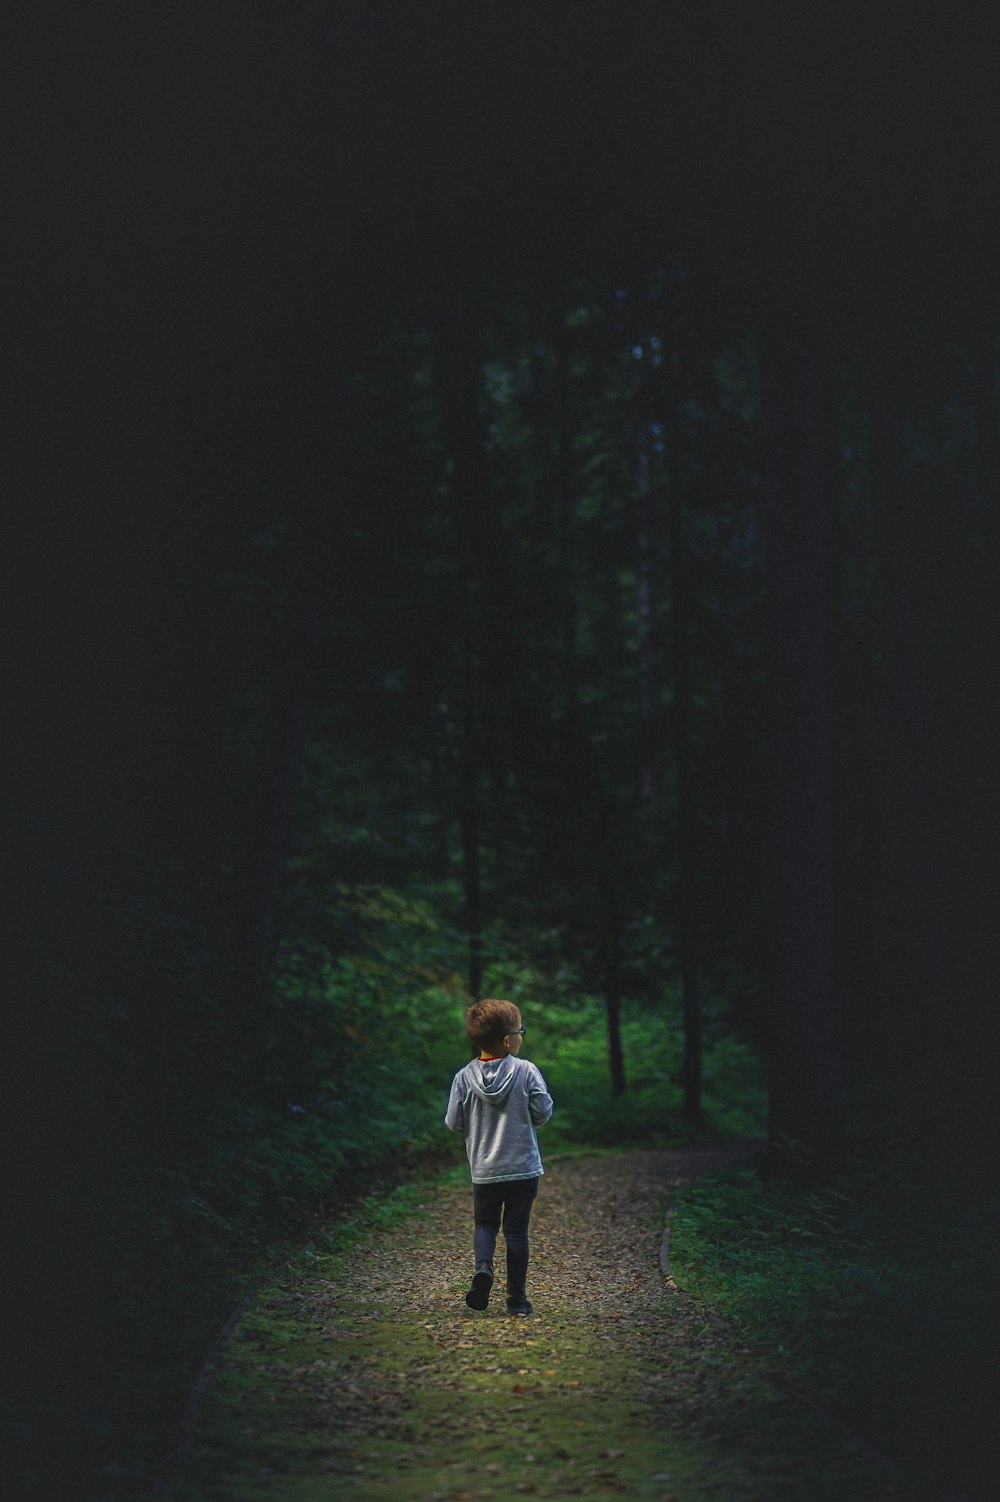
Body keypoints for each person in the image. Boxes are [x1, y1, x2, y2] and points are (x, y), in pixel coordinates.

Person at [445, 998, 554, 1315]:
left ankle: (484, 1268)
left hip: (485, 1170)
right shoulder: (526, 1071)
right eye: (521, 1030)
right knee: (517, 1232)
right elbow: (543, 1111)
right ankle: (517, 1302)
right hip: (522, 1170)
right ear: (508, 1040)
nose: (522, 1035)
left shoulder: (463, 1077)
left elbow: (454, 1123)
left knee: (486, 1224)